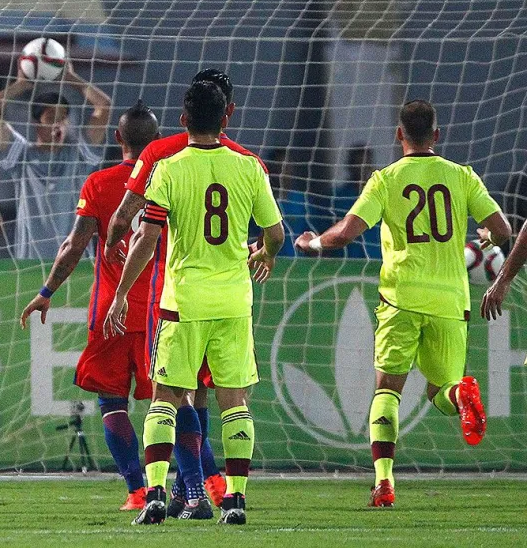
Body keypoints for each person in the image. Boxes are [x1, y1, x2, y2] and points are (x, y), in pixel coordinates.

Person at [294, 99, 512, 508]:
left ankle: (384, 482)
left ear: (399, 136)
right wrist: (484, 236)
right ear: (437, 134)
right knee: (441, 391)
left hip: (401, 298)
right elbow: (504, 230)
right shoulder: (461, 176)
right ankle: (461, 394)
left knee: (387, 390)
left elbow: (345, 234)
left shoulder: (386, 179)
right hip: (450, 300)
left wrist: (314, 242)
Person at [104, 81, 284, 526]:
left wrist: (123, 292)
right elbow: (275, 232)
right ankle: (236, 500)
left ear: (183, 120)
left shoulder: (169, 168)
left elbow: (146, 238)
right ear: (227, 118)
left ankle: (157, 496)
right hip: (232, 301)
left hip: (181, 301)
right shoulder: (249, 168)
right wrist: (265, 254)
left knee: (164, 398)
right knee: (234, 401)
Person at [20, 101, 160, 512]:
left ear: (118, 138)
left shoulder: (98, 184)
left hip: (110, 314)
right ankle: (202, 485)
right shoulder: (172, 181)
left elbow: (73, 246)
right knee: (172, 403)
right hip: (159, 312)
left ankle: (137, 491)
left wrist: (46, 291)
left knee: (112, 403)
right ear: (157, 140)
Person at [0, 60, 111, 259]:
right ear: (36, 124)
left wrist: (71, 78)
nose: (58, 125)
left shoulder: (79, 154)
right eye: (51, 118)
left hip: (76, 263)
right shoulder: (21, 155)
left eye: (63, 118)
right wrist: (21, 84)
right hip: (31, 262)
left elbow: (104, 106)